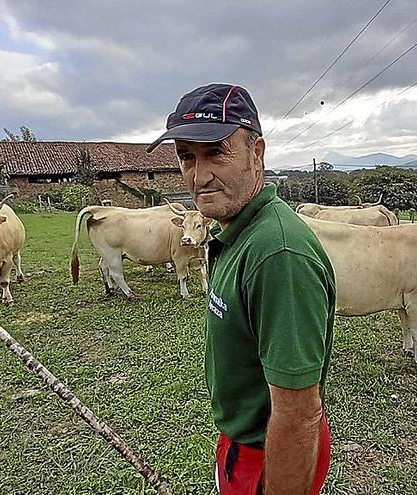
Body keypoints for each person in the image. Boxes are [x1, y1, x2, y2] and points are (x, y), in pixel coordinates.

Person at [148, 83, 336, 494]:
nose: (199, 176)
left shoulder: (278, 254)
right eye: (186, 157)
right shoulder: (240, 232)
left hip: (267, 453)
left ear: (257, 153)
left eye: (216, 152)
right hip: (244, 444)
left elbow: (300, 413)